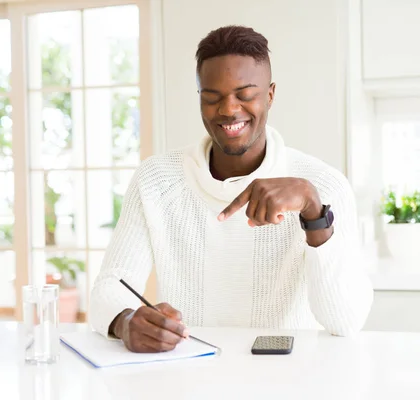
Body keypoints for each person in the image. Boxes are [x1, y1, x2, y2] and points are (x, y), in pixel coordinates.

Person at [89, 25, 373, 353]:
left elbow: (347, 319)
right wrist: (125, 321)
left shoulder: (323, 186)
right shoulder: (156, 180)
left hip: (288, 379)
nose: (227, 109)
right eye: (212, 98)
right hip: (190, 374)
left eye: (245, 94)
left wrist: (314, 213)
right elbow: (109, 288)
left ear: (270, 94)